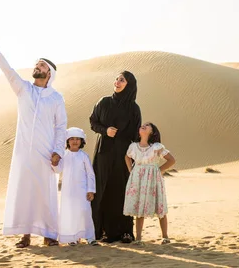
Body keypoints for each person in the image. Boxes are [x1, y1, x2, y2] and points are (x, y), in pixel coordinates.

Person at [0, 34, 67, 248]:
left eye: (41, 65)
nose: (37, 66)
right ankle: (25, 235)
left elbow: (60, 127)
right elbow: (8, 72)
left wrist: (58, 150)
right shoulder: (24, 89)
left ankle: (49, 234)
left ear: (49, 73)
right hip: (23, 153)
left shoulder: (56, 98)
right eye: (36, 64)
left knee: (45, 193)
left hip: (45, 152)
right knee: (24, 193)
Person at [89, 71, 141, 243]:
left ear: (129, 85)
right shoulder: (104, 102)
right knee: (102, 189)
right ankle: (101, 231)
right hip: (104, 152)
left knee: (122, 190)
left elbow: (135, 133)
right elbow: (93, 122)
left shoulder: (134, 108)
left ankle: (125, 231)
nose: (117, 82)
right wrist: (106, 131)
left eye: (122, 80)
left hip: (123, 155)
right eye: (117, 79)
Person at [123, 122, 176, 245]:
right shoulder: (133, 146)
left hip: (153, 179)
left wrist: (159, 170)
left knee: (159, 205)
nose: (144, 125)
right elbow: (127, 157)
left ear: (152, 132)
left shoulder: (156, 146)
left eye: (148, 125)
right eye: (143, 125)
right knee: (139, 206)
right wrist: (131, 169)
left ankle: (165, 236)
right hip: (137, 179)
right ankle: (139, 238)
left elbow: (171, 160)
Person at [52, 127, 98, 246]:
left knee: (85, 212)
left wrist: (91, 190)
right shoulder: (64, 155)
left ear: (82, 141)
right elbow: (58, 170)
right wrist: (54, 163)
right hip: (68, 191)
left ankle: (90, 237)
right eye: (72, 139)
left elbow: (90, 174)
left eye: (78, 139)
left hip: (82, 190)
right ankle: (71, 237)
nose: (75, 141)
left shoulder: (84, 156)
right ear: (67, 141)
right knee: (70, 212)